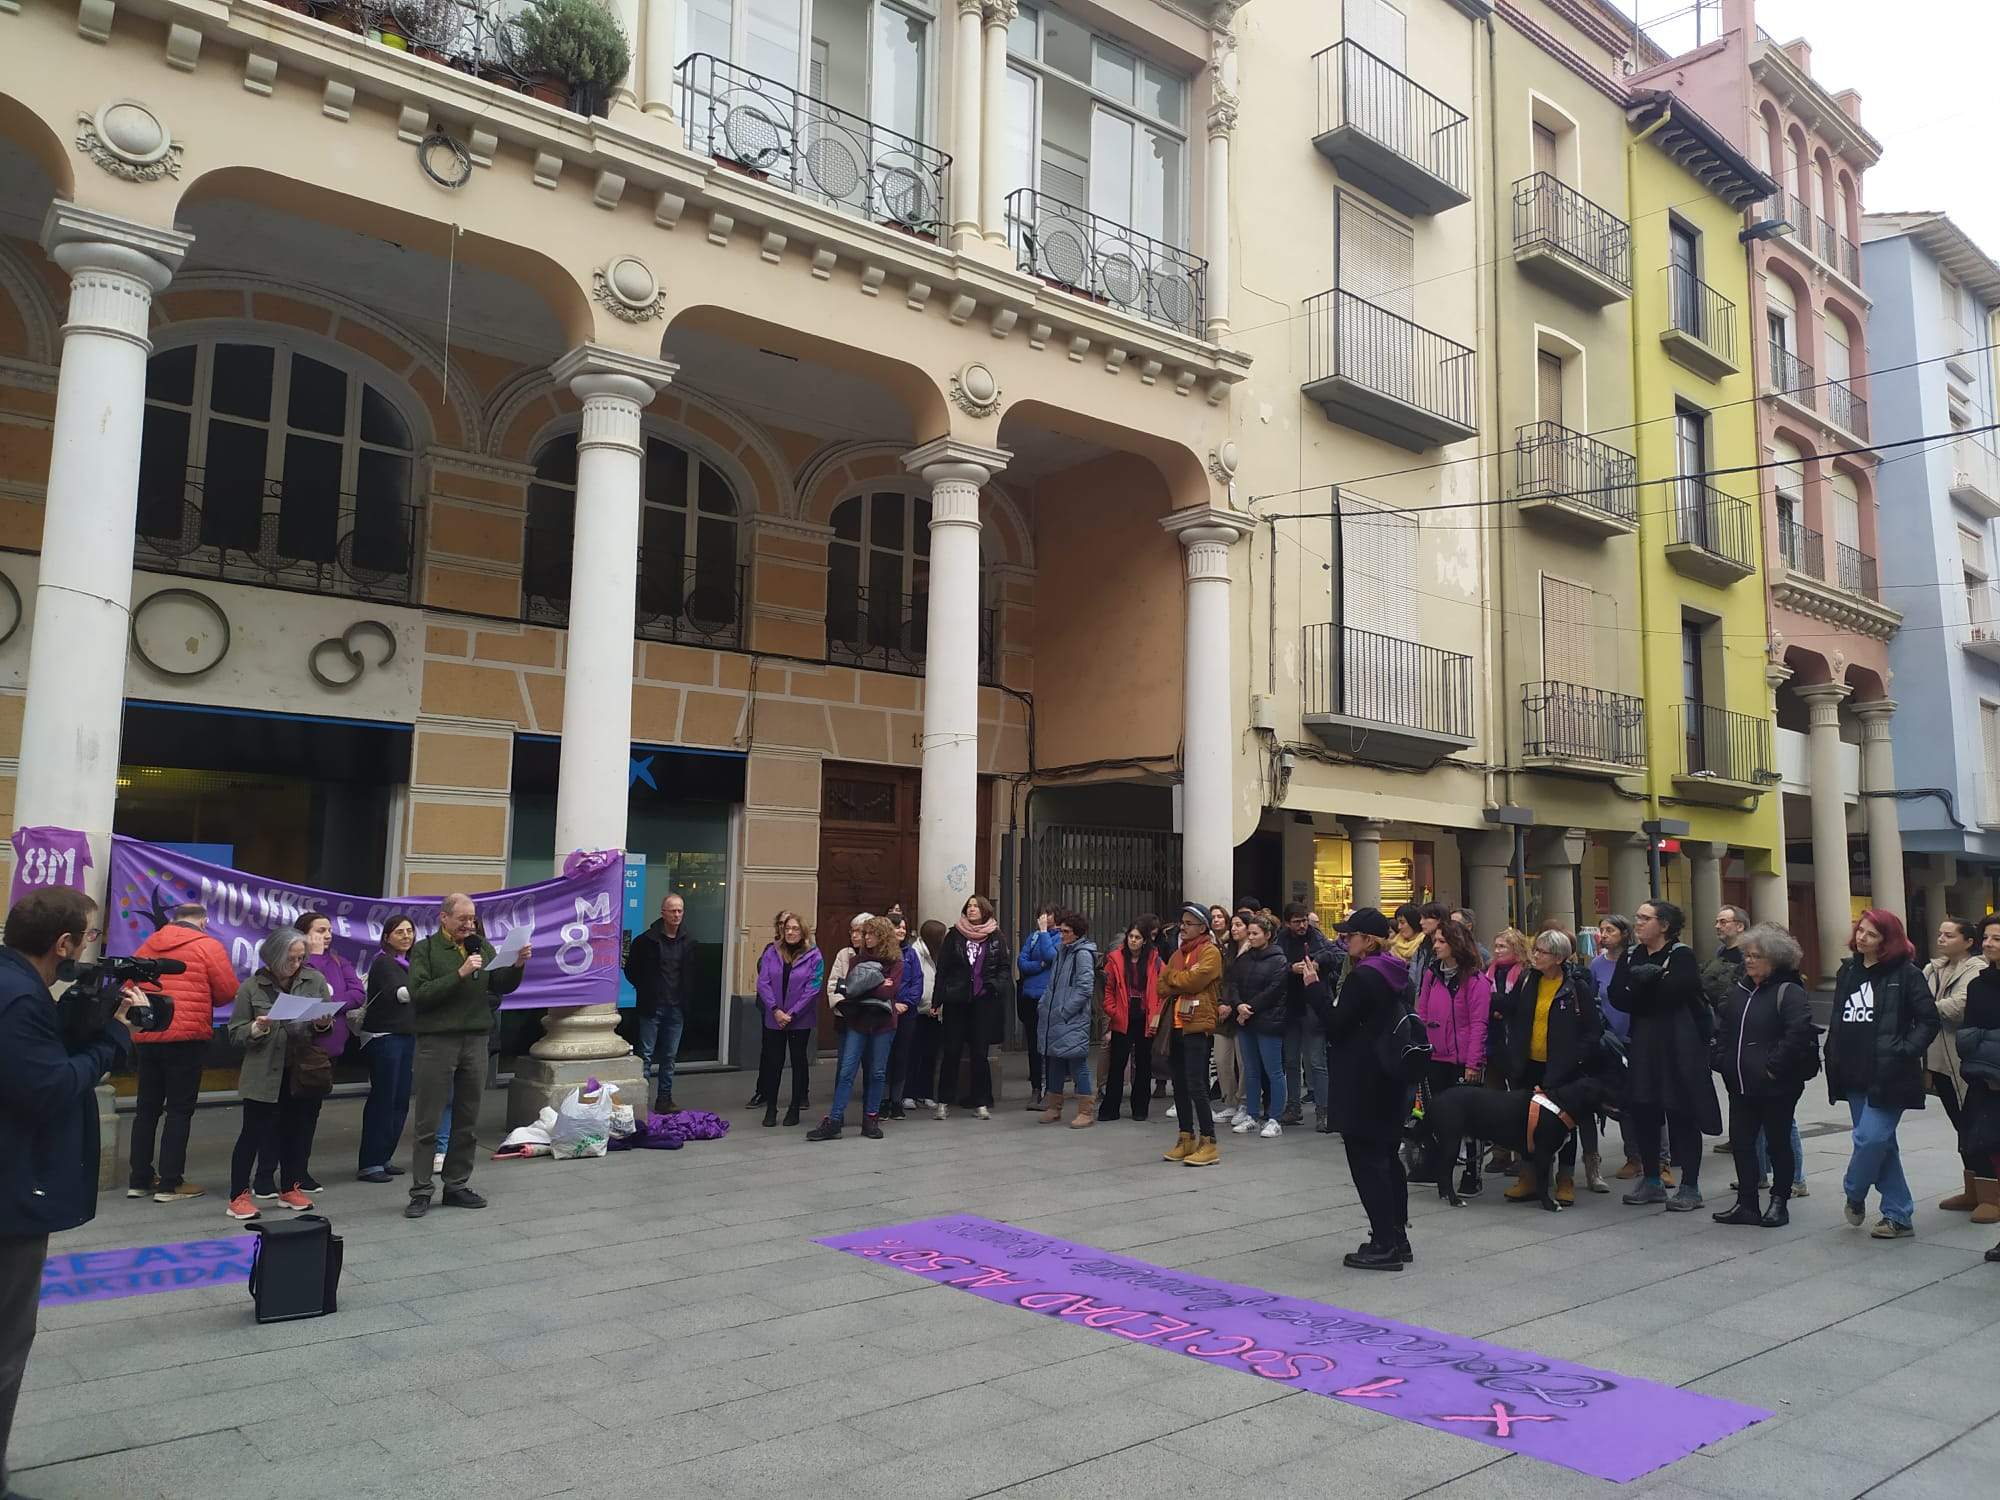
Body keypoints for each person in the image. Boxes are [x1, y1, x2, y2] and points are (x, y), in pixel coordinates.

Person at [1, 891, 137, 1497]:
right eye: (87, 935)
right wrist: (111, 1042)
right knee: (6, 1341)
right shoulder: (18, 998)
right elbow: (47, 1085)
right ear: (63, 944)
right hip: (8, 1198)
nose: (88, 944)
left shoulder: (15, 987)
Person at [404, 894, 529, 1219]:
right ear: (443, 918)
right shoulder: (426, 949)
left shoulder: (480, 946)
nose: (468, 925)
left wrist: (517, 964)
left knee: (467, 1118)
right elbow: (420, 994)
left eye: (471, 919)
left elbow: (499, 984)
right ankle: (420, 1190)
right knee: (428, 1120)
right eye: (461, 919)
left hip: (475, 1039)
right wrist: (458, 973)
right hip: (437, 1041)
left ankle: (456, 1185)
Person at [1826, 908, 1938, 1240]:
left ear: (1887, 940)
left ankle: (1854, 1190)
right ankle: (1898, 1214)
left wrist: (1904, 1050)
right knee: (1882, 1144)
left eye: (1871, 934)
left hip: (1889, 1072)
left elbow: (1929, 1020)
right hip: (1852, 1069)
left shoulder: (1906, 974)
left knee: (1870, 1139)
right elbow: (1839, 1016)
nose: (1862, 938)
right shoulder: (1848, 970)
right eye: (1860, 931)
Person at [1317, 909, 1414, 1271]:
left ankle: (1384, 1243)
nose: (1345, 941)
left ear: (1368, 941)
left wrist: (1314, 988)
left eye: (1350, 936)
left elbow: (1336, 1024)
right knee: (1388, 1158)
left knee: (1366, 1161)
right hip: (1389, 1075)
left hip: (1362, 1078)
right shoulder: (1396, 971)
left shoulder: (1364, 977)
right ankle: (1397, 1236)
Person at [126, 901, 237, 1205]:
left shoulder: (148, 943)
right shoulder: (207, 945)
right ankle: (170, 1183)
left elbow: (128, 985)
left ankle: (139, 1180)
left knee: (145, 1110)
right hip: (186, 1039)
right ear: (203, 922)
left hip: (149, 1036)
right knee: (178, 1111)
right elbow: (228, 990)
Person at [1611, 900, 1719, 1211]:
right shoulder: (1632, 954)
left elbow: (1677, 992)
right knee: (1643, 1110)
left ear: (1665, 925)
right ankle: (1652, 1181)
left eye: (1645, 918)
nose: (1638, 923)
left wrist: (1644, 986)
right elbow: (1618, 996)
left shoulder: (1681, 954)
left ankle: (1690, 1186)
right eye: (1637, 917)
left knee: (1681, 1111)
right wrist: (1651, 982)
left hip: (1679, 1045)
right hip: (1644, 1042)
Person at [224, 929, 336, 1221]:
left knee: (296, 1133)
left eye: (300, 958)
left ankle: (290, 1188)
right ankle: (238, 1196)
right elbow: (235, 1034)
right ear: (273, 957)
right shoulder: (252, 986)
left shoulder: (315, 981)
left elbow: (327, 1027)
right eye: (290, 958)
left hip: (301, 1070)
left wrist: (323, 1023)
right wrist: (257, 1028)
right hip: (264, 1070)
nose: (296, 964)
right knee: (253, 1134)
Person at [1709, 923, 1816, 1227]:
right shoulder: (1741, 988)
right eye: (1747, 955)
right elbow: (1725, 1027)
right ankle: (1747, 1203)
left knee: (1778, 1143)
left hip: (1776, 1085)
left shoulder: (1788, 991)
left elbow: (1798, 1033)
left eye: (1756, 955)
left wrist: (1772, 1067)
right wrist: (1721, 1059)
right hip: (1740, 1082)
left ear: (1775, 960)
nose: (1749, 960)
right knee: (1742, 1143)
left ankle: (1779, 1202)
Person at [1493, 929, 1604, 1204]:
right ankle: (1528, 1177)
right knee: (1526, 1123)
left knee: (1565, 1123)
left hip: (1563, 1068)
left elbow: (1593, 1029)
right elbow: (1511, 1007)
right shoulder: (1529, 978)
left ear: (1557, 957)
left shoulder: (1575, 985)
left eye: (1540, 952)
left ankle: (1565, 1179)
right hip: (1527, 1063)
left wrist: (1577, 1057)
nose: (1535, 956)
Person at [808, 915, 905, 1141]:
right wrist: (879, 982)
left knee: (877, 1072)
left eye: (871, 934)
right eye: (865, 933)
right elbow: (849, 989)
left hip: (883, 1024)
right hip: (858, 1022)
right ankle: (834, 1120)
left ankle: (871, 1119)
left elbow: (888, 993)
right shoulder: (856, 960)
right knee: (846, 1071)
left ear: (882, 937)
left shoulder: (896, 962)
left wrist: (869, 986)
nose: (865, 938)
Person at [1925, 917, 1996, 1221]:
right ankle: (1975, 1190)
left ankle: (1991, 1196)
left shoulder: (1973, 973)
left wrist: (1922, 1007)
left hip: (1983, 1063)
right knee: (1966, 1126)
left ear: (1966, 942)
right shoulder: (1974, 980)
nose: (1990, 944)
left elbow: (1957, 1010)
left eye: (1949, 935)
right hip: (1959, 1062)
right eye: (1988, 938)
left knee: (1987, 1132)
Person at [1415, 918, 1490, 1197]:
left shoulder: (1476, 980)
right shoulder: (1431, 975)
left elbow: (1479, 1023)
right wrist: (1422, 1049)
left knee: (1471, 1120)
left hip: (1462, 1059)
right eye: (1435, 940)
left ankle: (1473, 1173)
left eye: (1441, 941)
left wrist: (1473, 1062)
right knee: (1440, 1117)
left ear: (1456, 944)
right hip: (1436, 1057)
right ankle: (1441, 1169)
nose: (1435, 946)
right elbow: (1421, 1015)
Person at [293, 910, 363, 1193]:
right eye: (320, 930)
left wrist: (331, 1003)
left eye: (329, 930)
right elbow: (303, 995)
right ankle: (286, 1172)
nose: (327, 935)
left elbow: (358, 993)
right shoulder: (301, 963)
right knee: (294, 1115)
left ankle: (300, 1170)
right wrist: (314, 956)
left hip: (329, 1051)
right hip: (302, 1049)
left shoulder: (339, 960)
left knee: (310, 1114)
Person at [932, 896, 1011, 1121]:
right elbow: (943, 970)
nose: (972, 909)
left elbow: (1004, 968)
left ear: (985, 910)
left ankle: (981, 1102)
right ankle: (944, 1101)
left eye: (976, 906)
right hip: (956, 1002)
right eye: (969, 906)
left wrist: (995, 986)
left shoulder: (996, 936)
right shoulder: (954, 935)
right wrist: (938, 1001)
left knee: (979, 1054)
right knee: (952, 1052)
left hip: (983, 1003)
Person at [356, 916, 419, 1183]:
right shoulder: (384, 962)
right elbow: (401, 994)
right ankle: (370, 1162)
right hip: (384, 1037)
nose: (406, 936)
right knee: (384, 1099)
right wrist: (432, 985)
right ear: (387, 937)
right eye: (399, 932)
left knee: (399, 1100)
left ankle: (384, 1157)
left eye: (410, 931)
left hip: (405, 1036)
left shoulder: (410, 963)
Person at [1161, 904, 1223, 1167]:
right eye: (1182, 922)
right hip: (1175, 1024)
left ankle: (1208, 1141)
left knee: (1197, 1084)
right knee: (1180, 1083)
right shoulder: (1177, 954)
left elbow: (1197, 981)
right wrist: (1178, 978)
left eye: (1188, 923)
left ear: (1202, 927)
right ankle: (1185, 1136)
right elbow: (1160, 984)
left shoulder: (1210, 951)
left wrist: (1175, 979)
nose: (1182, 927)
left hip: (1197, 1024)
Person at [625, 892, 696, 1114]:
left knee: (669, 1056)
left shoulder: (689, 942)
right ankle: (640, 1101)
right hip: (652, 1006)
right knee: (645, 1055)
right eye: (673, 910)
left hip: (676, 1007)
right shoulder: (646, 941)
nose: (677, 914)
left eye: (680, 910)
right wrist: (645, 990)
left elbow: (694, 973)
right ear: (662, 913)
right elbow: (631, 970)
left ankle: (664, 1099)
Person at [1952, 932, 2000, 1261]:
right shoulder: (1979, 984)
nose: (1989, 943)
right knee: (1991, 1149)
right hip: (1987, 1081)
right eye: (1987, 937)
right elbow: (1966, 1037)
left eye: (1997, 938)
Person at [755, 911, 821, 1129]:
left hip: (799, 1019)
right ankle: (771, 1108)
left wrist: (792, 1013)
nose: (790, 932)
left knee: (798, 1061)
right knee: (773, 1063)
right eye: (787, 928)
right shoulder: (772, 952)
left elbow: (813, 988)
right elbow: (763, 982)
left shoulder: (814, 955)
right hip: (774, 1017)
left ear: (803, 932)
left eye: (795, 928)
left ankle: (794, 1108)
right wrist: (775, 1010)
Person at [1229, 912, 1290, 1139]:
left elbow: (1273, 991)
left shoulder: (1279, 960)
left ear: (1268, 935)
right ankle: (1252, 1115)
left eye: (1255, 933)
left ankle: (1275, 1117)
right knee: (1251, 1069)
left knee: (1274, 1070)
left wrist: (1248, 1008)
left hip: (1268, 1021)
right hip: (1246, 1021)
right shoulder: (1244, 958)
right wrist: (1238, 1006)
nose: (1251, 937)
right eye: (1250, 933)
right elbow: (1233, 983)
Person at [1036, 912, 1099, 1128]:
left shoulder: (1082, 954)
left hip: (1070, 1018)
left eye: (1066, 931)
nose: (1061, 935)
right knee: (1054, 1060)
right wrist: (1044, 1005)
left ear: (1077, 933)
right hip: (1054, 1015)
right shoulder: (1063, 951)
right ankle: (1054, 1107)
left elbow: (1084, 988)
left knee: (1077, 1062)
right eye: (1060, 930)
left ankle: (1086, 1111)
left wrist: (1064, 1011)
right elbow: (1052, 984)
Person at [1276, 902, 1333, 1128]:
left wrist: (1317, 962)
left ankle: (1324, 1110)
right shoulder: (1281, 939)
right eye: (1297, 921)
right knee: (1290, 1060)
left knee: (1317, 1060)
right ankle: (1293, 1106)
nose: (1302, 925)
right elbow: (1276, 964)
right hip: (1291, 1005)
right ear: (1287, 922)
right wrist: (1291, 969)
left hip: (1313, 1005)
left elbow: (1334, 954)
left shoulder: (1316, 936)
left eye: (1304, 920)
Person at [1100, 922, 1162, 1122]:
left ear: (1144, 941)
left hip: (1145, 1016)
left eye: (1137, 937)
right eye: (1131, 937)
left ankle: (1140, 1109)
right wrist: (1113, 1010)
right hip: (1123, 1016)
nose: (1133, 941)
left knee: (1144, 1064)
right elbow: (1108, 988)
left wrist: (1156, 1014)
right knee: (1117, 1063)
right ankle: (1110, 1109)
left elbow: (1163, 989)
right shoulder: (1116, 959)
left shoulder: (1155, 961)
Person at [1701, 904, 1750, 1158]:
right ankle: (1737, 1135)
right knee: (1732, 1086)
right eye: (1717, 922)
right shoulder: (1721, 953)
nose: (1718, 926)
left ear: (1739, 925)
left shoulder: (1748, 957)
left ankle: (1742, 1136)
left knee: (1740, 1086)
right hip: (1718, 1029)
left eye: (1723, 921)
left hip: (1736, 1029)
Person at [1017, 907, 1060, 1113]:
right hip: (1030, 996)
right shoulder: (1032, 937)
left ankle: (1051, 1089)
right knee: (1034, 1045)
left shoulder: (1059, 937)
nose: (1044, 918)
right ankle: (1036, 1087)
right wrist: (1039, 965)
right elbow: (1022, 963)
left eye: (1048, 914)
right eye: (1041, 914)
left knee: (1049, 1044)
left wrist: (1044, 932)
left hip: (1049, 996)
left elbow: (1051, 956)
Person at [904, 919, 945, 1110]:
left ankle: (926, 1093)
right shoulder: (915, 953)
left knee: (931, 1055)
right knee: (913, 1054)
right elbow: (919, 982)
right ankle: (909, 1093)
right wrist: (924, 1004)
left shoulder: (939, 954)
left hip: (935, 1012)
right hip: (918, 1012)